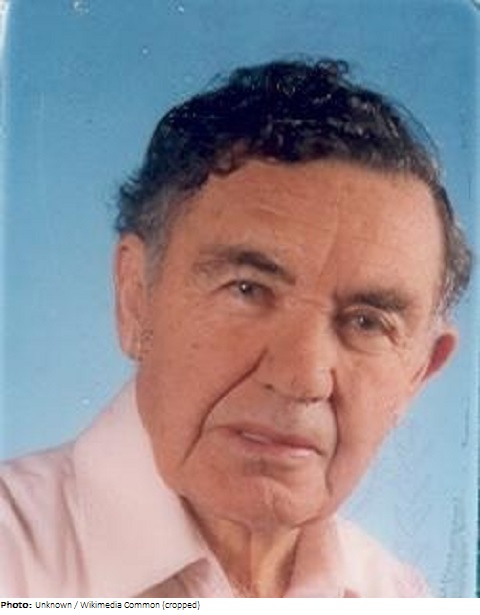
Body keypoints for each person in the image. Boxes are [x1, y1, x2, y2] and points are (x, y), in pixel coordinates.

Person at [0, 59, 472, 598]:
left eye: (367, 322)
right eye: (248, 289)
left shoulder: (397, 594)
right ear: (135, 298)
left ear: (418, 373)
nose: (301, 378)